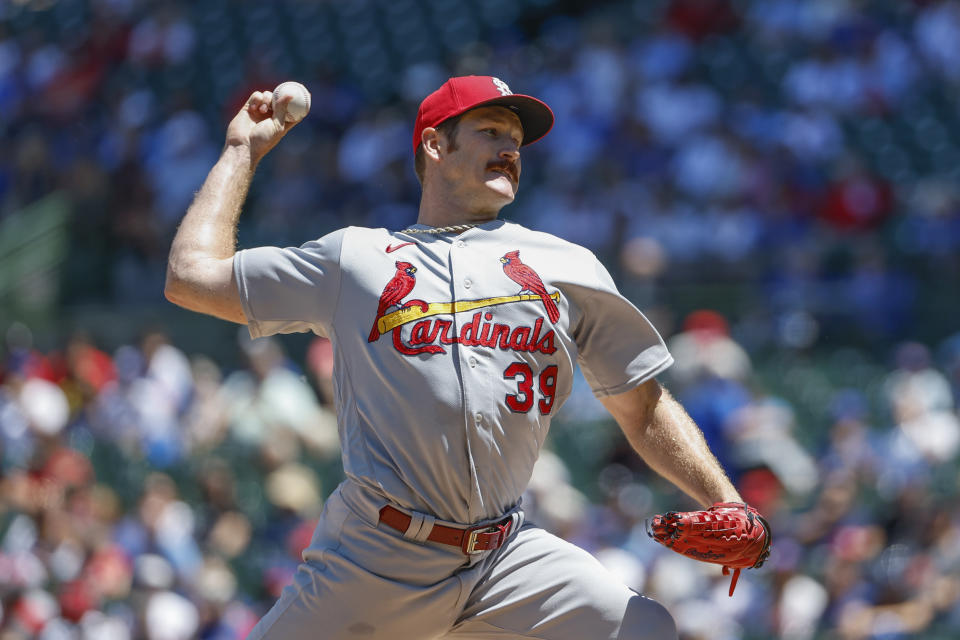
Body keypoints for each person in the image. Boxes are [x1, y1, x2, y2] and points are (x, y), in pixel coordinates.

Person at [165, 75, 749, 640]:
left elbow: (642, 408)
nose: (509, 150)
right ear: (435, 144)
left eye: (516, 142)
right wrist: (242, 150)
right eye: (492, 131)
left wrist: (726, 501)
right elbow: (190, 277)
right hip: (377, 556)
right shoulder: (357, 259)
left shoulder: (567, 264)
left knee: (644, 629)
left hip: (505, 558)